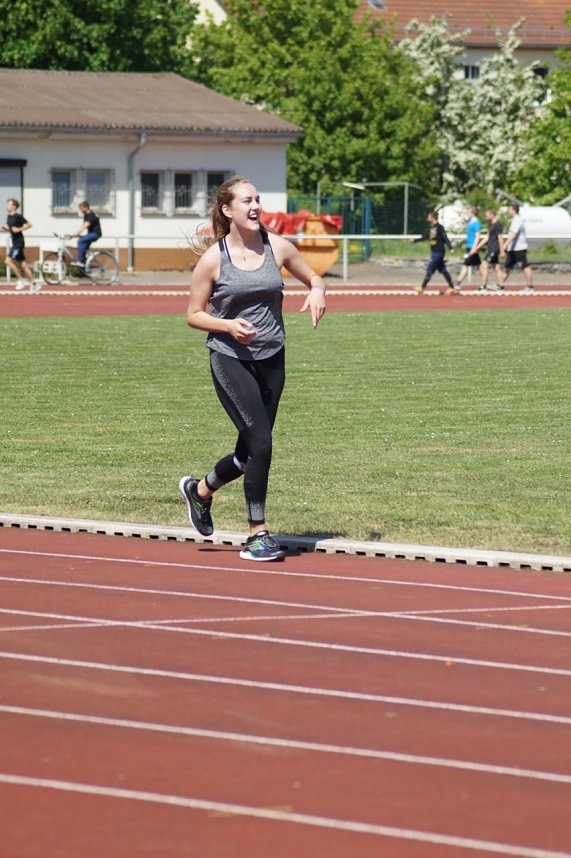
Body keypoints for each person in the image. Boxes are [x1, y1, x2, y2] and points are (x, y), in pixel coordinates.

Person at [179, 177, 326, 562]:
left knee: (249, 454)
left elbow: (313, 276)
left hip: (272, 358)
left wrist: (317, 290)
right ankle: (257, 533)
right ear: (228, 210)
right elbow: (193, 314)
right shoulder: (214, 259)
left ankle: (200, 491)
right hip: (230, 358)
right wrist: (227, 326)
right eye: (247, 200)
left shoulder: (278, 246)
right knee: (261, 443)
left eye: (258, 199)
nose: (255, 206)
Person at [410, 210, 455, 295]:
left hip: (439, 251)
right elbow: (425, 237)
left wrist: (450, 248)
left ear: (433, 217)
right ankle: (451, 287)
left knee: (430, 268)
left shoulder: (439, 227)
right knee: (443, 270)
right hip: (434, 251)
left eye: (429, 217)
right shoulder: (432, 228)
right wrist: (415, 240)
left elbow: (445, 238)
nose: (427, 218)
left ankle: (422, 287)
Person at [1, 198, 41, 292]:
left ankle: (21, 280)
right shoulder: (9, 217)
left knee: (8, 261)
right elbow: (10, 228)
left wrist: (19, 229)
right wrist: (3, 227)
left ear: (14, 207)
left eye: (9, 204)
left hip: (19, 243)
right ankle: (34, 284)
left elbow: (29, 224)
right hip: (15, 242)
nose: (7, 206)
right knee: (23, 265)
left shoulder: (18, 216)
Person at [501, 203, 534, 293]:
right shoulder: (514, 220)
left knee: (524, 266)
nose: (508, 211)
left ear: (514, 210)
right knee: (507, 267)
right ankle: (500, 284)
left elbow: (514, 234)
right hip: (513, 248)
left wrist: (504, 245)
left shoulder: (517, 220)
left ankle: (530, 286)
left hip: (519, 248)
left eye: (509, 209)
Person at [454, 206, 486, 293]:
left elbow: (477, 236)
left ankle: (458, 282)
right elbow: (463, 222)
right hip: (469, 245)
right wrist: (463, 216)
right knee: (480, 265)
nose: (467, 213)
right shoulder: (470, 221)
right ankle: (484, 284)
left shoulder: (476, 223)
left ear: (473, 213)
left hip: (472, 246)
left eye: (469, 212)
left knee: (466, 263)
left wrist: (474, 247)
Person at [475, 209, 505, 292]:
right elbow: (487, 238)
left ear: (492, 215)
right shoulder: (491, 225)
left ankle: (483, 286)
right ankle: (501, 286)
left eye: (487, 215)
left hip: (494, 249)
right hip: (490, 248)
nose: (485, 217)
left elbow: (500, 238)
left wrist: (502, 250)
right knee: (496, 267)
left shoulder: (498, 225)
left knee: (483, 266)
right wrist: (478, 247)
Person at [69, 200, 102, 273]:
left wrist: (73, 235)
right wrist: (76, 235)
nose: (81, 210)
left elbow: (84, 226)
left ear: (86, 207)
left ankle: (80, 262)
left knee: (80, 241)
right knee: (83, 247)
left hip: (95, 234)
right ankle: (83, 269)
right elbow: (82, 226)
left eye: (81, 208)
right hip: (91, 233)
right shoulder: (86, 215)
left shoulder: (91, 216)